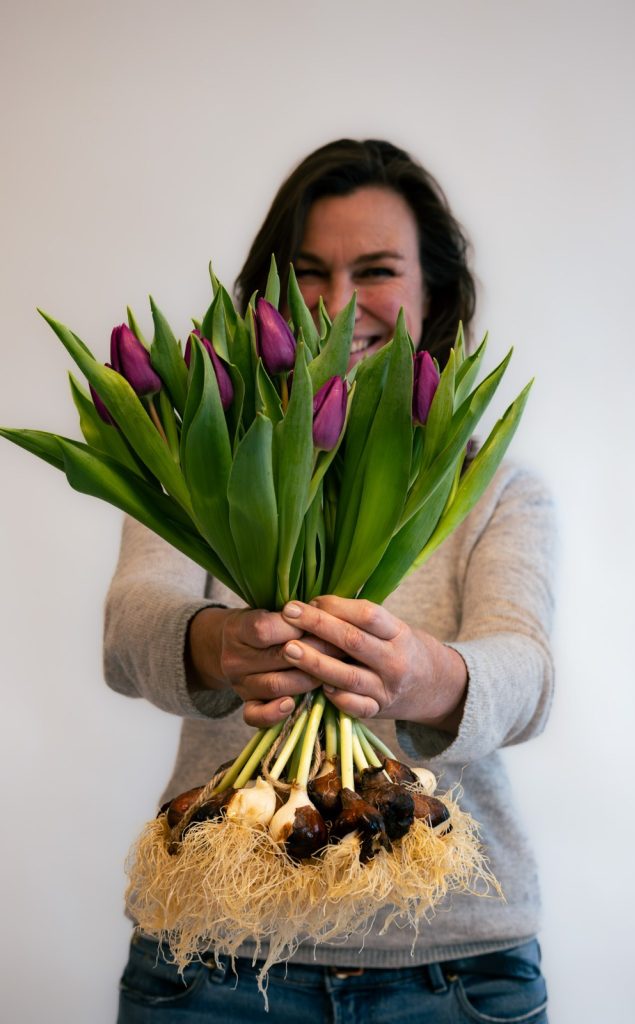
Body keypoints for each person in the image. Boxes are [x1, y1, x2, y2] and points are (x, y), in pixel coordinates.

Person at [109, 139, 555, 1023]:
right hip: (215, 953)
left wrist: (423, 677)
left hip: (453, 960)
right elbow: (130, 629)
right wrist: (218, 642)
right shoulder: (201, 464)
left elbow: (528, 671)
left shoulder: (490, 486)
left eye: (378, 270)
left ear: (434, 295)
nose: (340, 304)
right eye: (309, 272)